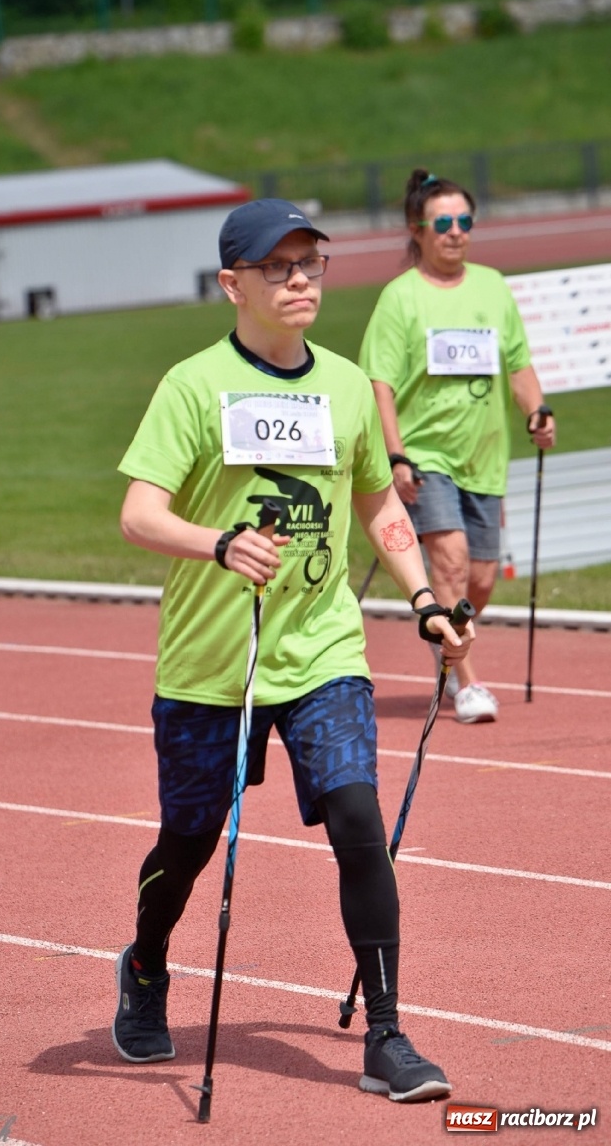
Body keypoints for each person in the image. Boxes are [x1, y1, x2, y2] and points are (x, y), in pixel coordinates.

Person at [111, 197, 475, 1103]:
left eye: (310, 261)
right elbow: (138, 513)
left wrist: (424, 598)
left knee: (358, 821)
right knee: (188, 844)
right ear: (233, 285)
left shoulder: (347, 385)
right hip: (210, 664)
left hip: (321, 652)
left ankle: (387, 1036)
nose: (301, 279)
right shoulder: (193, 386)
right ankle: (147, 962)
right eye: (278, 267)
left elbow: (376, 506)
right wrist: (218, 541)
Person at [358, 169, 556, 725]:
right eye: (442, 223)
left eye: (464, 221)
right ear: (416, 229)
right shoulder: (400, 298)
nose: (455, 232)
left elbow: (517, 363)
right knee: (449, 559)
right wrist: (395, 455)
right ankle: (466, 683)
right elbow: (380, 383)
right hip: (427, 456)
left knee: (482, 579)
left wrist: (536, 410)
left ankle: (445, 637)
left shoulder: (492, 286)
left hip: (485, 458)